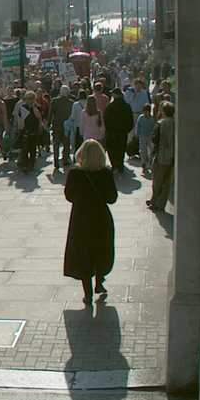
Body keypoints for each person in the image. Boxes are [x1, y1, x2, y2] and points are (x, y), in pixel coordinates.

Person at [63, 139, 118, 304]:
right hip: (101, 218)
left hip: (81, 219)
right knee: (101, 250)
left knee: (83, 255)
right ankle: (99, 283)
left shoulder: (75, 174)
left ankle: (87, 294)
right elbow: (112, 198)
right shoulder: (106, 173)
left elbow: (69, 196)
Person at [147, 101, 175, 212]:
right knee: (167, 182)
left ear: (163, 111)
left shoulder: (160, 123)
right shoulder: (176, 123)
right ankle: (161, 204)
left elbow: (154, 140)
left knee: (157, 181)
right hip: (172, 157)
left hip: (161, 156)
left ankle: (154, 201)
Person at [104, 87, 135, 173]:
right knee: (121, 149)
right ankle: (120, 165)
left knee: (112, 149)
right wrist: (127, 130)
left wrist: (108, 130)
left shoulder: (110, 107)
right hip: (123, 132)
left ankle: (114, 165)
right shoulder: (127, 106)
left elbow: (106, 120)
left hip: (112, 133)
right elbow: (130, 120)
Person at [13, 91, 43, 172]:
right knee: (25, 148)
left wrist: (40, 126)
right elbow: (19, 118)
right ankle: (25, 165)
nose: (29, 100)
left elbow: (40, 118)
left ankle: (31, 164)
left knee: (33, 148)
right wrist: (19, 128)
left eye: (31, 98)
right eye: (27, 98)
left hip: (34, 129)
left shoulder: (37, 107)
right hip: (25, 130)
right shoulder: (23, 107)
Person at [49, 85, 74, 169]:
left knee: (56, 144)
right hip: (66, 126)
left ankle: (56, 161)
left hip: (56, 125)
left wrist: (48, 124)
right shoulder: (71, 102)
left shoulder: (54, 101)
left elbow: (51, 113)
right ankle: (65, 159)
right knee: (66, 144)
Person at [136, 103, 156, 174]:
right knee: (142, 151)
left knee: (151, 151)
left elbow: (154, 128)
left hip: (150, 137)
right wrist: (137, 134)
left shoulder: (152, 119)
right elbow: (138, 126)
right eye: (144, 111)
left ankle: (150, 163)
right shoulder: (141, 117)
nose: (145, 113)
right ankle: (144, 164)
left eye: (146, 111)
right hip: (142, 136)